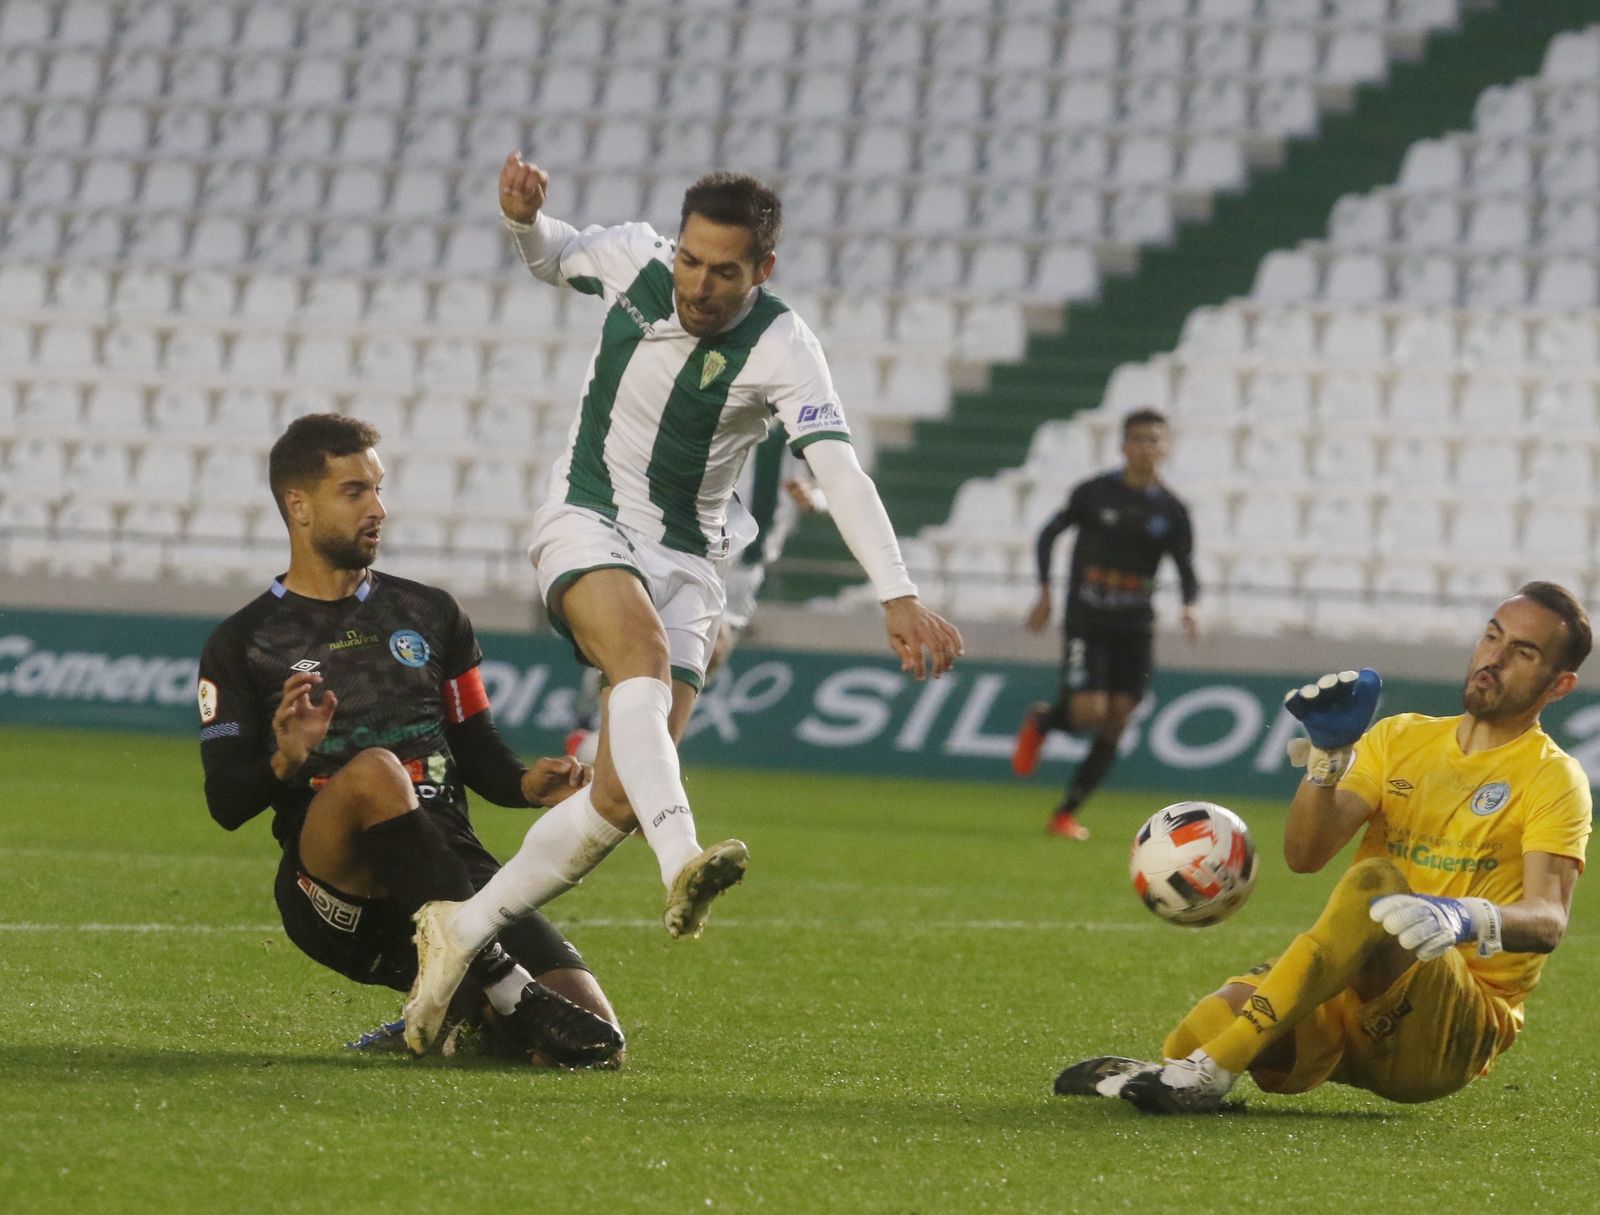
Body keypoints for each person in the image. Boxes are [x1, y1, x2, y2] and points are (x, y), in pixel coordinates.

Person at [401, 152, 965, 1054]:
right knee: (643, 663)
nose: (698, 285)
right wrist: (523, 220)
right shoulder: (636, 260)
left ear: (763, 269)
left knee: (619, 796)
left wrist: (898, 596)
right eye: (692, 260)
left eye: (724, 271)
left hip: (693, 565)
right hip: (587, 515)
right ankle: (684, 860)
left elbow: (839, 471)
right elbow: (553, 255)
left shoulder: (784, 347)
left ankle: (462, 928)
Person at [1055, 582, 1592, 1113]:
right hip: (1353, 1003)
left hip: (1449, 1027)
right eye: (1492, 637)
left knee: (1376, 883)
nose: (1494, 659)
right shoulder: (1401, 737)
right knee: (1206, 1026)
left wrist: (1461, 916)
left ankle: (1210, 1070)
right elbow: (1305, 855)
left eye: (1523, 652)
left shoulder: (1553, 777)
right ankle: (1184, 1067)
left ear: (1559, 684)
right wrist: (1327, 760)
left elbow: (1548, 920)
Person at [197, 413, 625, 1066]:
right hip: (341, 890)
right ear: (299, 506)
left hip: (453, 868)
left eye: (378, 488)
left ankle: (457, 1015)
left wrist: (523, 783)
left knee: (592, 1045)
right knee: (375, 771)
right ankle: (502, 984)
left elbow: (475, 746)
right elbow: (226, 802)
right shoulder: (244, 642)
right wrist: (285, 760)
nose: (378, 508)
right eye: (354, 492)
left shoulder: (432, 613)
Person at [1012, 407, 1199, 839]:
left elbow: (1185, 566)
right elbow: (1048, 534)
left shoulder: (1172, 510)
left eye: (1154, 440)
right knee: (1089, 711)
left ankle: (1065, 813)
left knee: (1118, 718)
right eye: (1138, 439)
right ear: (1123, 446)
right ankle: (1043, 722)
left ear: (1165, 448)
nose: (1146, 447)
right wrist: (1045, 590)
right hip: (1088, 618)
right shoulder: (1094, 493)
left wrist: (1190, 605)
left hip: (1135, 624)